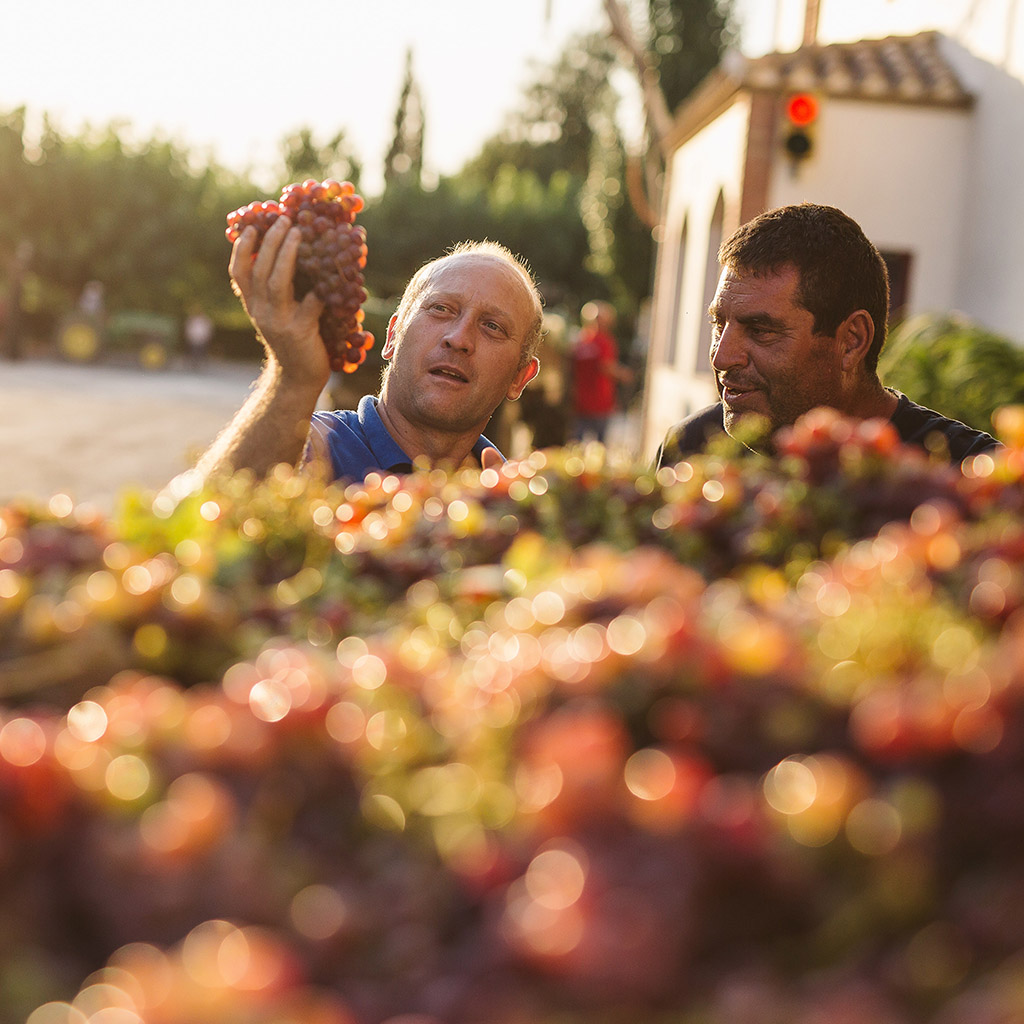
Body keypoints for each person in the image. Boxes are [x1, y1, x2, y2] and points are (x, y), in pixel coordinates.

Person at [193, 215, 543, 485]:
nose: (459, 338)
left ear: (519, 378)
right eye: (440, 309)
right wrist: (295, 381)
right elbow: (197, 531)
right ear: (392, 337)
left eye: (492, 327)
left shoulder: (509, 494)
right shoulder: (309, 445)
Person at [655, 203, 1001, 467]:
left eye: (761, 331)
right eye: (719, 324)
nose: (722, 356)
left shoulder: (968, 475)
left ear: (851, 340)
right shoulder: (690, 450)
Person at [569, 300, 633, 444]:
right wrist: (625, 374)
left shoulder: (579, 340)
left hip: (580, 402)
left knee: (576, 444)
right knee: (599, 446)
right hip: (600, 403)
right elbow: (607, 367)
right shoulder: (604, 342)